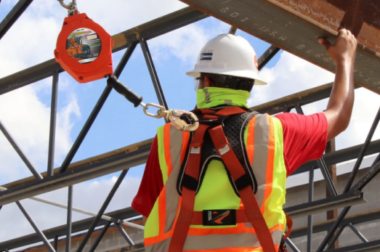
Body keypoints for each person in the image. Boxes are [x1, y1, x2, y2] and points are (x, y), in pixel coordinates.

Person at [132, 29, 357, 252]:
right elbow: (339, 115)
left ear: (205, 81)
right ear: (250, 83)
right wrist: (345, 59)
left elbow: (151, 210)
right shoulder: (276, 132)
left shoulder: (168, 138)